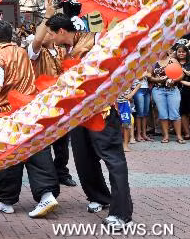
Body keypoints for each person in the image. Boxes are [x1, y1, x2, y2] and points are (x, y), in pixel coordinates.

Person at [45, 13, 133, 227]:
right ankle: (99, 197)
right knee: (84, 159)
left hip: (101, 110)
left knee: (113, 159)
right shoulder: (62, 51)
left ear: (62, 32)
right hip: (78, 113)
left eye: (51, 33)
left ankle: (122, 214)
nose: (49, 37)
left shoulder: (96, 40)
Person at [0, 20, 60, 218]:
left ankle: (6, 200)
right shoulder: (23, 52)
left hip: (8, 112)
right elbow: (37, 39)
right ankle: (46, 194)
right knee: (37, 149)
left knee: (8, 155)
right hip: (30, 109)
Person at [27, 0, 76, 187]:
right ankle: (49, 175)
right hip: (44, 102)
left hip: (62, 102)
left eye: (51, 31)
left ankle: (62, 172)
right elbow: (38, 39)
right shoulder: (36, 52)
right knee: (45, 140)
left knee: (63, 141)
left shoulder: (62, 49)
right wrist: (47, 15)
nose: (48, 35)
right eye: (46, 31)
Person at [149, 48, 184, 144]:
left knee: (175, 112)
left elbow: (181, 74)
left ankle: (179, 136)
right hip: (158, 90)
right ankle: (166, 136)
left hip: (173, 90)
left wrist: (174, 80)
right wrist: (158, 80)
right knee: (162, 113)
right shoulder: (154, 62)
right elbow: (150, 76)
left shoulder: (172, 60)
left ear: (166, 50)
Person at [117, 80, 141, 152]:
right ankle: (116, 145)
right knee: (114, 124)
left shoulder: (127, 73)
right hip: (113, 102)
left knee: (126, 124)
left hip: (124, 102)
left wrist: (131, 94)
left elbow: (138, 84)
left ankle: (125, 145)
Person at [133, 73, 153, 142]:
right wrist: (144, 75)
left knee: (145, 113)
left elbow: (150, 75)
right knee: (139, 113)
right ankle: (138, 135)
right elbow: (134, 78)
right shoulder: (133, 63)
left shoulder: (145, 64)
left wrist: (147, 74)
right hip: (137, 89)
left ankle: (144, 134)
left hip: (146, 88)